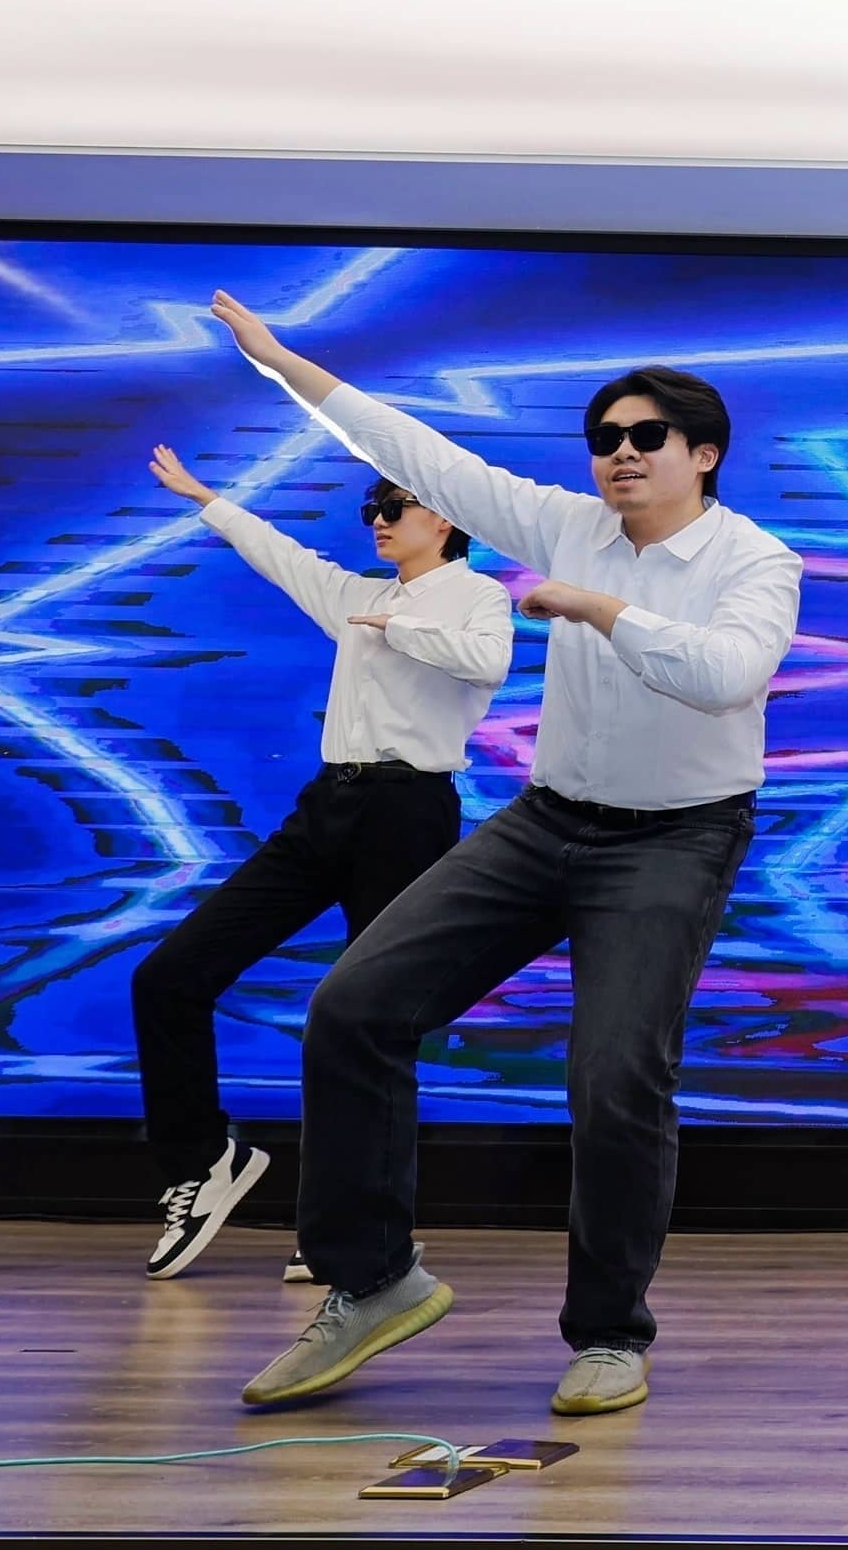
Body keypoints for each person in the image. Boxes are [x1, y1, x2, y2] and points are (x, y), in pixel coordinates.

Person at [207, 289, 803, 1418]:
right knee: (354, 1008)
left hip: (676, 837)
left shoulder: (756, 561)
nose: (621, 453)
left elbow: (729, 676)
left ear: (704, 455)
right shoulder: (566, 522)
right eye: (605, 437)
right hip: (547, 819)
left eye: (647, 437)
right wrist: (285, 361)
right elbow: (416, 453)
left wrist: (600, 609)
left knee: (614, 1077)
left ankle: (611, 1333)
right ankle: (371, 1281)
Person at [131, 449, 511, 1282]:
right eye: (371, 508)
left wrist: (394, 627)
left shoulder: (476, 595)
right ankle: (203, 1163)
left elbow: (486, 663)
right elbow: (282, 556)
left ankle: (351, 1227)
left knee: (367, 1022)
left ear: (444, 518)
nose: (378, 520)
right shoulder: (360, 597)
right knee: (168, 977)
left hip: (408, 814)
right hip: (327, 806)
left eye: (394, 506)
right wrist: (206, 498)